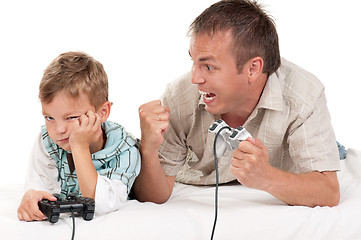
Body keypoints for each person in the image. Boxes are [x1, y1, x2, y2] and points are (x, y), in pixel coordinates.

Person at [133, 0, 341, 207]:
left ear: (252, 69)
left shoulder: (304, 96)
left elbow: (328, 192)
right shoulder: (178, 97)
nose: (195, 78)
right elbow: (154, 196)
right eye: (194, 62)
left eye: (209, 67)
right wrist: (148, 148)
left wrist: (266, 176)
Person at [17, 51, 141, 221]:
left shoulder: (125, 149)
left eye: (72, 117)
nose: (59, 129)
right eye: (49, 118)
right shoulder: (48, 140)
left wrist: (79, 147)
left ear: (102, 112)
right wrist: (32, 195)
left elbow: (101, 204)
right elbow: (39, 185)